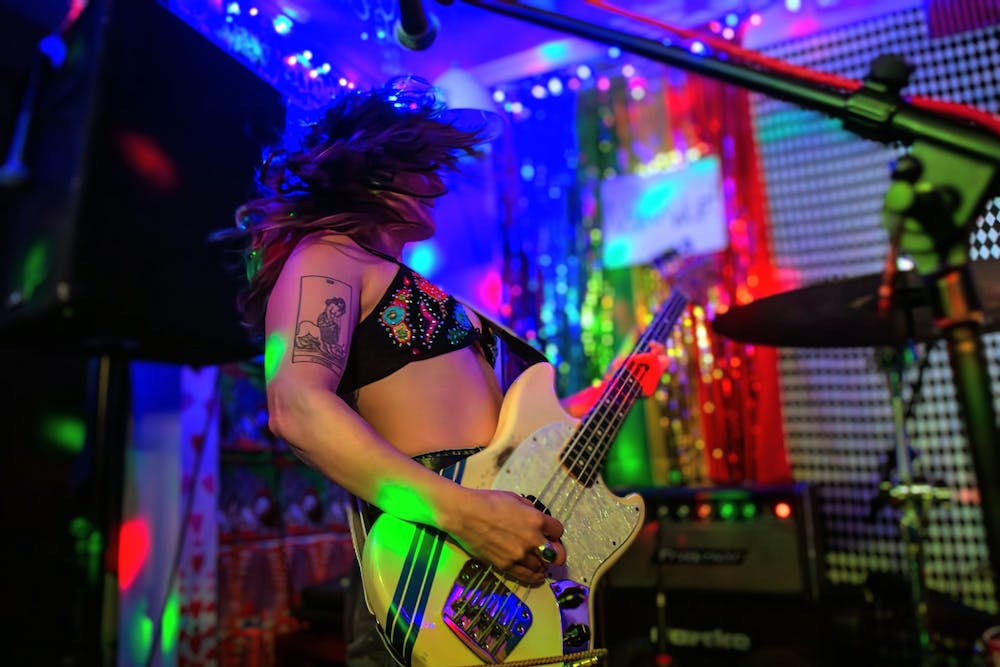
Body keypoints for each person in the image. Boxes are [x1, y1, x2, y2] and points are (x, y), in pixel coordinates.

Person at [224, 75, 664, 666]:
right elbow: (296, 407)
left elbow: (516, 439)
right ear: (369, 167)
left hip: (492, 574)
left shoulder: (402, 280)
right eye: (421, 166)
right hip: (429, 571)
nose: (437, 184)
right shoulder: (329, 255)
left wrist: (611, 393)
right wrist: (469, 515)